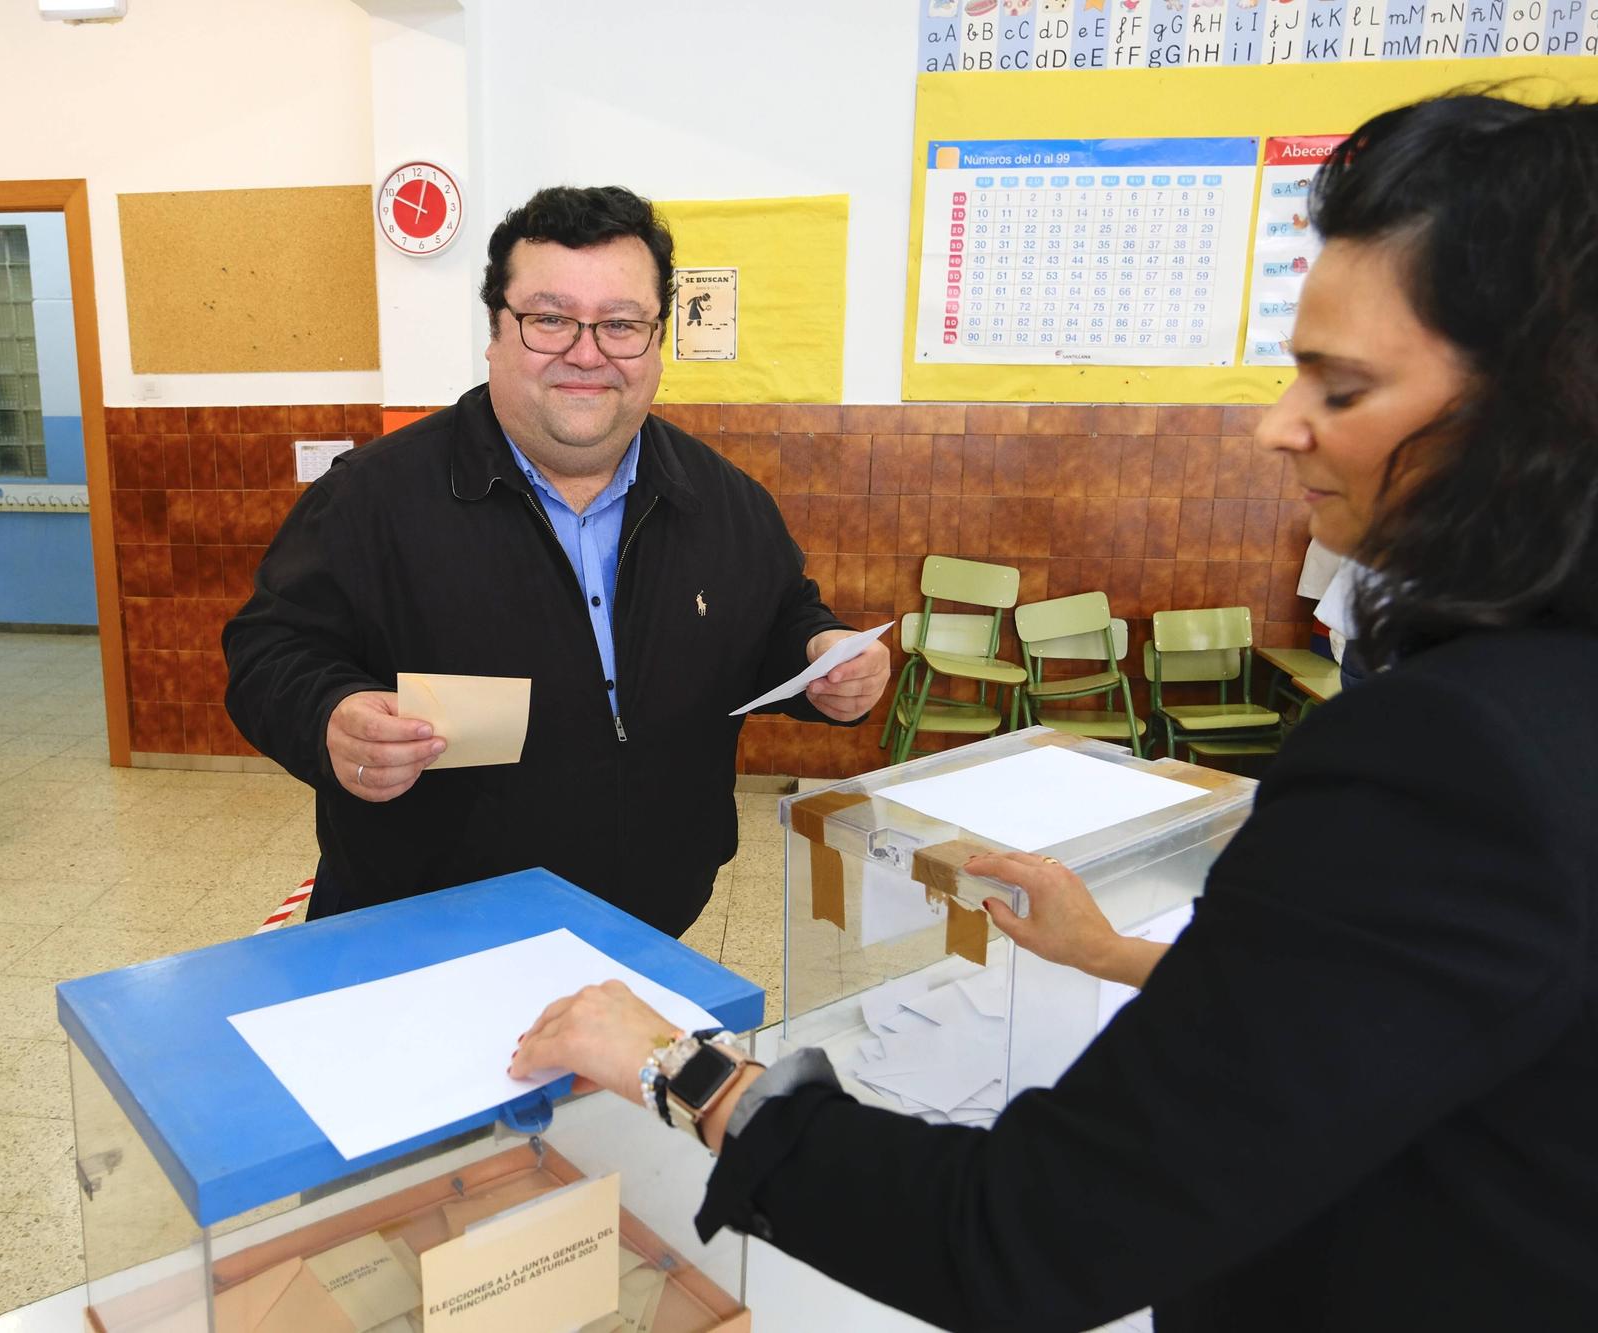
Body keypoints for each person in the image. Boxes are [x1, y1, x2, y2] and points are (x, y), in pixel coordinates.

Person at [514, 93, 1598, 1330]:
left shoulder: (1453, 754)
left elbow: (1028, 1233)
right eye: (552, 319)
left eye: (1340, 387)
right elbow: (1423, 1003)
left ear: (1537, 416)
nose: (1277, 426)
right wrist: (1118, 955)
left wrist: (685, 1069)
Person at [224, 186, 888, 936]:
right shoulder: (371, 498)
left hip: (650, 926)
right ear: (495, 332)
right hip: (424, 932)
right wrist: (329, 715)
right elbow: (269, 649)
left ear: (656, 341)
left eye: (621, 324)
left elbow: (776, 616)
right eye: (550, 319)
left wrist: (822, 652)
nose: (586, 352)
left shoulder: (723, 500)